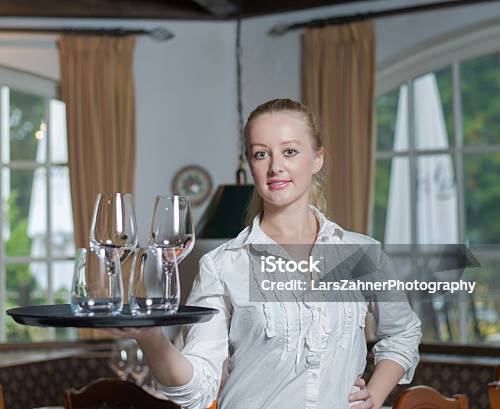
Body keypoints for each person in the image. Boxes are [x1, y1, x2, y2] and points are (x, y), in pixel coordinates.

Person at [107, 99, 422, 409]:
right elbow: (197, 389)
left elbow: (403, 332)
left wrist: (375, 396)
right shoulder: (223, 265)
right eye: (261, 154)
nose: (275, 167)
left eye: (289, 151)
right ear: (251, 164)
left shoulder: (361, 253)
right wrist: (152, 339)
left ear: (317, 158)